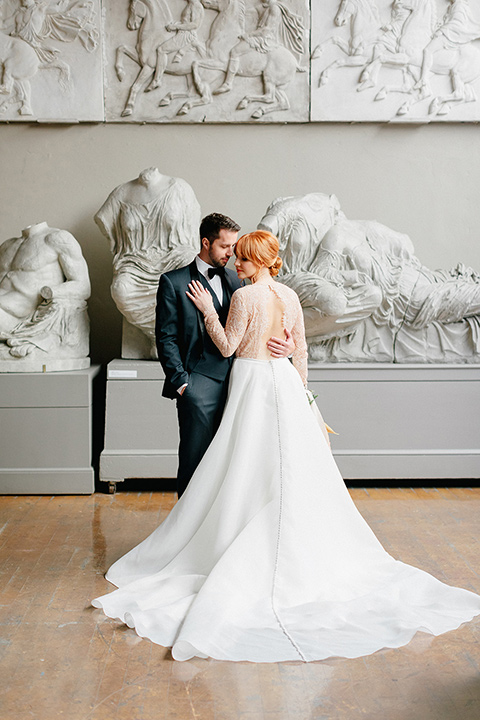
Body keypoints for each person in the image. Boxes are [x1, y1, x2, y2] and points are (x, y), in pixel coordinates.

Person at [93, 230, 480, 663]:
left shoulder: (243, 297)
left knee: (246, 463)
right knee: (288, 466)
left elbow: (228, 345)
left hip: (254, 383)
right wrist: (303, 390)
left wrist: (206, 311)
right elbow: (302, 352)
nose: (236, 266)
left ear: (257, 261)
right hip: (285, 385)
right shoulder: (291, 296)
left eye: (242, 260)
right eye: (235, 258)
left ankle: (240, 534)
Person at [155, 214, 294, 497]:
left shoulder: (238, 279)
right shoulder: (173, 282)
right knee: (195, 462)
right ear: (206, 243)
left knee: (234, 465)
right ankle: (187, 533)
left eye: (234, 247)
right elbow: (165, 338)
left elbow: (256, 326)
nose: (232, 254)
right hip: (199, 386)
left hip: (241, 384)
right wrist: (184, 384)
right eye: (225, 246)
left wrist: (287, 348)